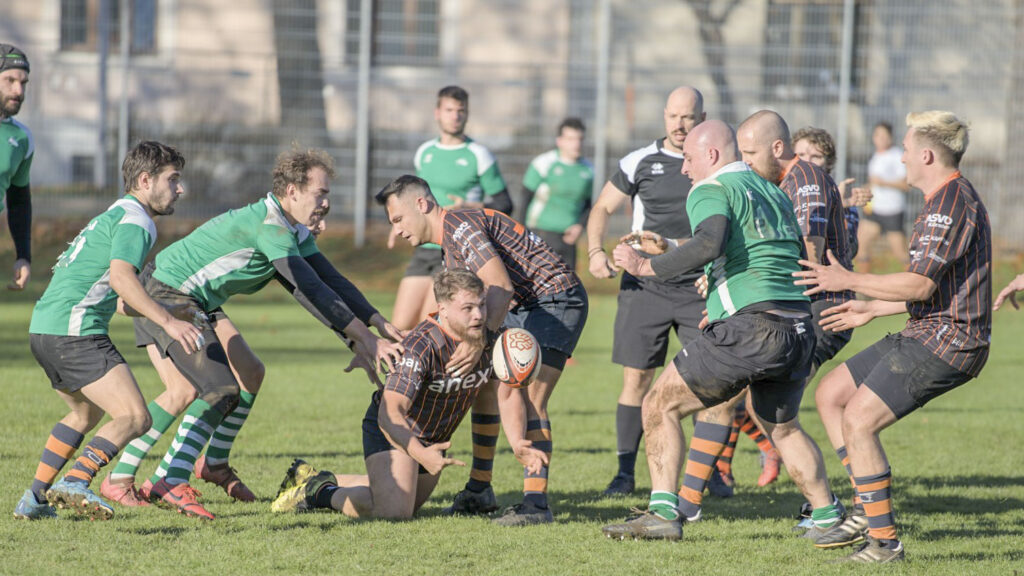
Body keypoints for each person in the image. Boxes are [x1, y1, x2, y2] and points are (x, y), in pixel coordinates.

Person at [103, 148, 404, 520]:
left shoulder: (289, 228)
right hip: (167, 293)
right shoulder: (271, 227)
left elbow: (330, 281)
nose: (326, 203)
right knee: (211, 389)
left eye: (328, 195)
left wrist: (375, 324)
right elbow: (310, 290)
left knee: (249, 373)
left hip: (198, 299)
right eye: (320, 193)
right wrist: (366, 339)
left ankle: (211, 463)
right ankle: (162, 478)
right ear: (292, 190)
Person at [601, 120, 841, 542]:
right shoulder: (773, 191)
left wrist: (645, 267)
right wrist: (720, 296)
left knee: (659, 404)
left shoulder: (711, 189)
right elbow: (762, 254)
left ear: (711, 155)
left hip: (754, 325)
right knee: (782, 427)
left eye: (690, 159)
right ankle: (827, 517)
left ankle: (662, 513)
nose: (685, 170)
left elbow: (710, 242)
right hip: (800, 325)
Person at [798, 111, 990, 563]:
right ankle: (869, 505)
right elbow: (932, 289)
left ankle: (884, 543)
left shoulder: (949, 204)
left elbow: (919, 285)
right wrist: (871, 308)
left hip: (951, 341)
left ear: (926, 154)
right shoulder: (938, 199)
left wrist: (846, 278)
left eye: (904, 149)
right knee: (831, 395)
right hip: (926, 327)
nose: (899, 158)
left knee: (859, 421)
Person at [378, 174, 588, 525]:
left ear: (422, 203)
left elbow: (500, 287)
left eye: (398, 219)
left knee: (529, 394)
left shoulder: (460, 227)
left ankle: (536, 505)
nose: (397, 230)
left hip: (554, 300)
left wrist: (477, 343)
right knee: (486, 386)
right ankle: (479, 489)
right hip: (523, 304)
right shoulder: (451, 246)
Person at [13, 141, 203, 520]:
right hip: (75, 332)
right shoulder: (138, 220)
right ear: (145, 180)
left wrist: (168, 309)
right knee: (136, 417)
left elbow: (118, 297)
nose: (179, 189)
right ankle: (76, 482)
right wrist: (167, 322)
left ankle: (34, 499)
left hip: (44, 330)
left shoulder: (116, 214)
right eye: (173, 179)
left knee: (84, 416)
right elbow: (121, 279)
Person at [270, 269, 546, 519]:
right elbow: (390, 415)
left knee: (405, 503)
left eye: (482, 305)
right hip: (394, 433)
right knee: (393, 511)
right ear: (444, 309)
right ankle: (317, 491)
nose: (479, 315)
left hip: (434, 438)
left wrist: (518, 441)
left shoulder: (492, 340)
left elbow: (508, 395)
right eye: (468, 308)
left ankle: (312, 476)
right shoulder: (420, 347)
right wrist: (420, 453)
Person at [585, 87, 720, 497]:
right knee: (637, 379)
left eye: (689, 118)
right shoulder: (639, 160)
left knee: (711, 384)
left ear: (703, 118)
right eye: (674, 117)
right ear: (664, 116)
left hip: (699, 284)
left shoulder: (715, 163)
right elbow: (602, 208)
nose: (681, 125)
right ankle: (625, 474)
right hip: (646, 283)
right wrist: (594, 252)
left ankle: (704, 479)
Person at [390, 85, 511, 331]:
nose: (455, 116)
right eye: (449, 110)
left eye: (460, 110)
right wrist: (400, 222)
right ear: (437, 113)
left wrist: (471, 207)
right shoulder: (425, 152)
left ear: (467, 114)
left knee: (430, 326)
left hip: (456, 248)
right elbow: (414, 198)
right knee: (399, 327)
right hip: (424, 247)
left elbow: (505, 203)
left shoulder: (479, 154)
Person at [521, 117, 594, 271]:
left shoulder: (588, 170)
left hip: (568, 238)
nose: (576, 144)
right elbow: (525, 199)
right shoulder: (544, 163)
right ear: (559, 141)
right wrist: (522, 234)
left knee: (569, 289)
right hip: (540, 234)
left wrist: (580, 225)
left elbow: (588, 205)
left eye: (580, 139)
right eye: (570, 139)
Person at [791, 126, 872, 260]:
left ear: (828, 163)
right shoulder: (780, 190)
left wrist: (836, 207)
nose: (807, 162)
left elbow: (850, 250)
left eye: (816, 156)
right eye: (801, 155)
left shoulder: (842, 198)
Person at [0, 44, 33, 291]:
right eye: (9, 80)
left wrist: (23, 255)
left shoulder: (22, 139)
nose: (18, 90)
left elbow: (19, 200)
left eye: (23, 83)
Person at [857, 122, 910, 269]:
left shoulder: (897, 156)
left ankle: (917, 288)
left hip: (892, 210)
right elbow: (874, 182)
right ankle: (862, 288)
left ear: (890, 137)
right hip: (875, 209)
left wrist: (882, 182)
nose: (880, 139)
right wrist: (865, 189)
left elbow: (906, 185)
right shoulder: (875, 156)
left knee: (900, 253)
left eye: (884, 135)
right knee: (861, 245)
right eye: (877, 135)